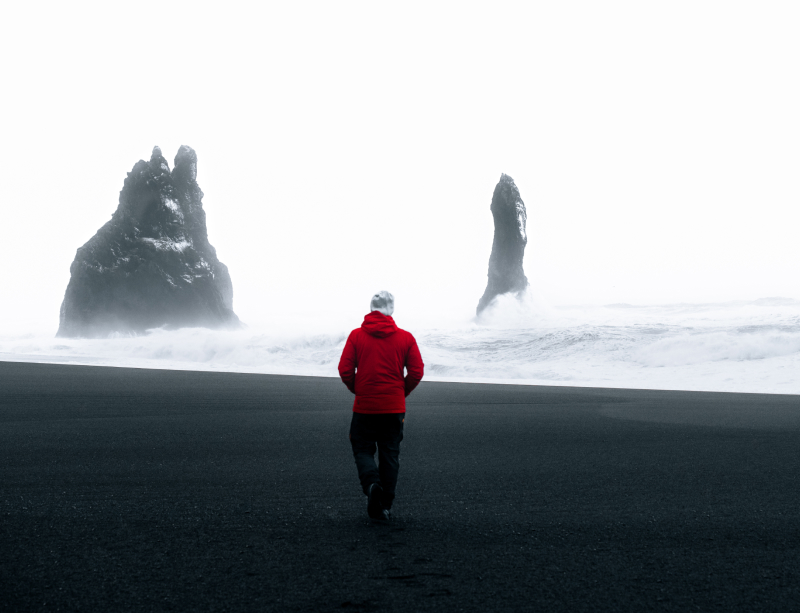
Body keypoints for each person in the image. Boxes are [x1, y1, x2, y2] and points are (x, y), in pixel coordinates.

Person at [338, 291, 424, 521]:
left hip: (365, 406)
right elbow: (417, 372)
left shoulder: (356, 336)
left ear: (371, 308)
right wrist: (399, 392)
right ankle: (384, 504)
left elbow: (345, 370)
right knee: (390, 454)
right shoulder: (406, 338)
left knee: (362, 448)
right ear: (391, 309)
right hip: (393, 408)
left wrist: (359, 389)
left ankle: (372, 485)